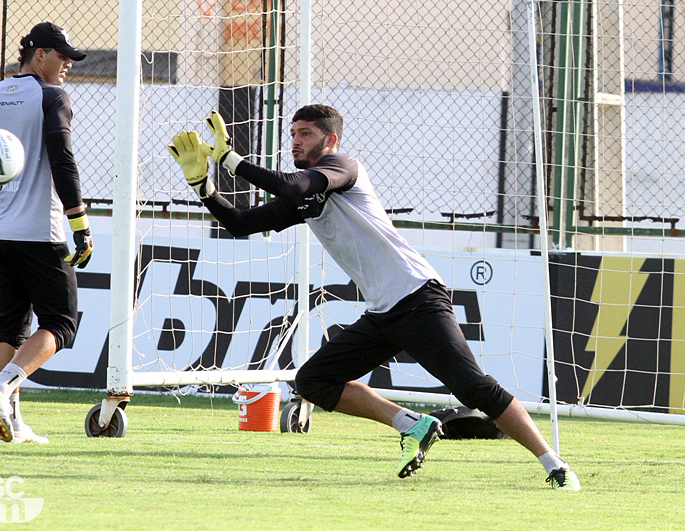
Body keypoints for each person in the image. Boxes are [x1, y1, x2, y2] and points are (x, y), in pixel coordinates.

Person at [167, 105, 580, 490]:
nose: (295, 141)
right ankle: (413, 424)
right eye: (292, 133)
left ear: (330, 140)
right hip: (383, 313)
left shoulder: (343, 167)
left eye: (305, 133)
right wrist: (203, 186)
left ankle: (555, 465)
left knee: (474, 390)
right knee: (313, 381)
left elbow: (293, 185)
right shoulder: (305, 199)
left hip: (418, 297)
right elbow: (240, 224)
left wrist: (231, 160)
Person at [0, 22, 93, 444]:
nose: (67, 64)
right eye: (62, 56)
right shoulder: (51, 97)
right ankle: (2, 386)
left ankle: (12, 422)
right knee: (61, 323)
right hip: (39, 231)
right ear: (39, 54)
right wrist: (80, 224)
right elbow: (62, 161)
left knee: (11, 326)